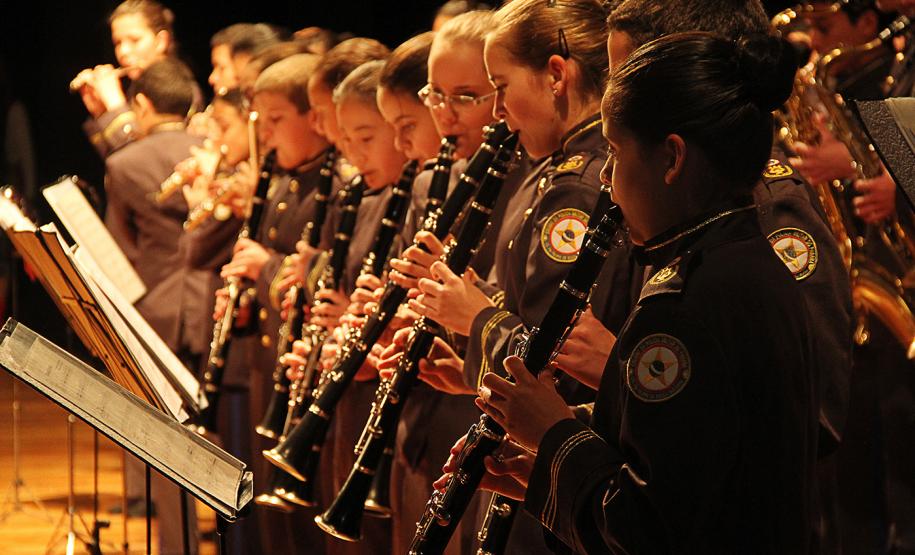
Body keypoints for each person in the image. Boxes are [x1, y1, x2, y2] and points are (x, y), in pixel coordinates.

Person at [471, 31, 819, 553]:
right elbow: (693, 457)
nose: (607, 178)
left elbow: (645, 530)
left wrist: (553, 438)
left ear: (672, 159)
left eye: (614, 151)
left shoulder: (687, 304)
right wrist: (550, 466)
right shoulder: (744, 260)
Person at [104, 57, 206, 555]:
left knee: (171, 438)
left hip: (157, 310)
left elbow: (119, 249)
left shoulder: (123, 163)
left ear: (141, 104)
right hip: (217, 305)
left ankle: (178, 545)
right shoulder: (214, 147)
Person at [76, 0, 176, 158]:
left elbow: (144, 163)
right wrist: (101, 113)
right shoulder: (136, 90)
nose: (123, 51)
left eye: (135, 40)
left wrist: (114, 103)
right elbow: (119, 166)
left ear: (160, 41)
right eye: (118, 43)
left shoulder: (179, 91)